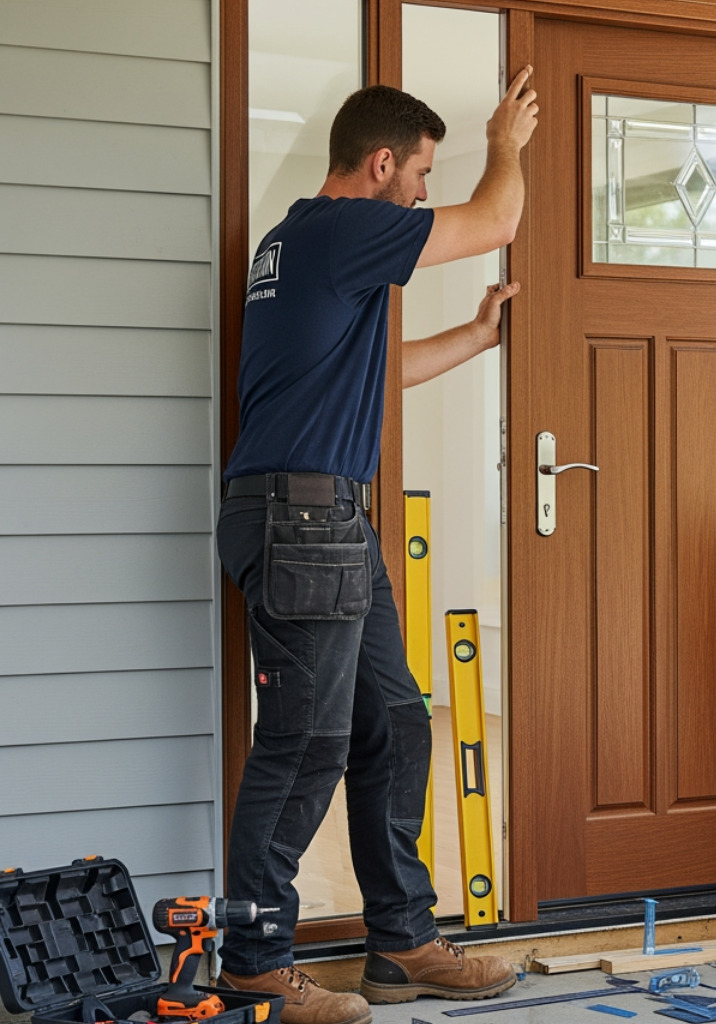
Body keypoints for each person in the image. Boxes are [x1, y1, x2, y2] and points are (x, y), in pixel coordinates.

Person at [214, 74, 540, 1024]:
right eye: (423, 171)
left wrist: (475, 340)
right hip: (302, 522)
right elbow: (494, 220)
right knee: (303, 746)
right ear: (383, 163)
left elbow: (367, 373)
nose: (425, 190)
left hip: (324, 523)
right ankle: (254, 961)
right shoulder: (338, 227)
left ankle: (401, 941)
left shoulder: (299, 246)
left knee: (394, 721)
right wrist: (505, 141)